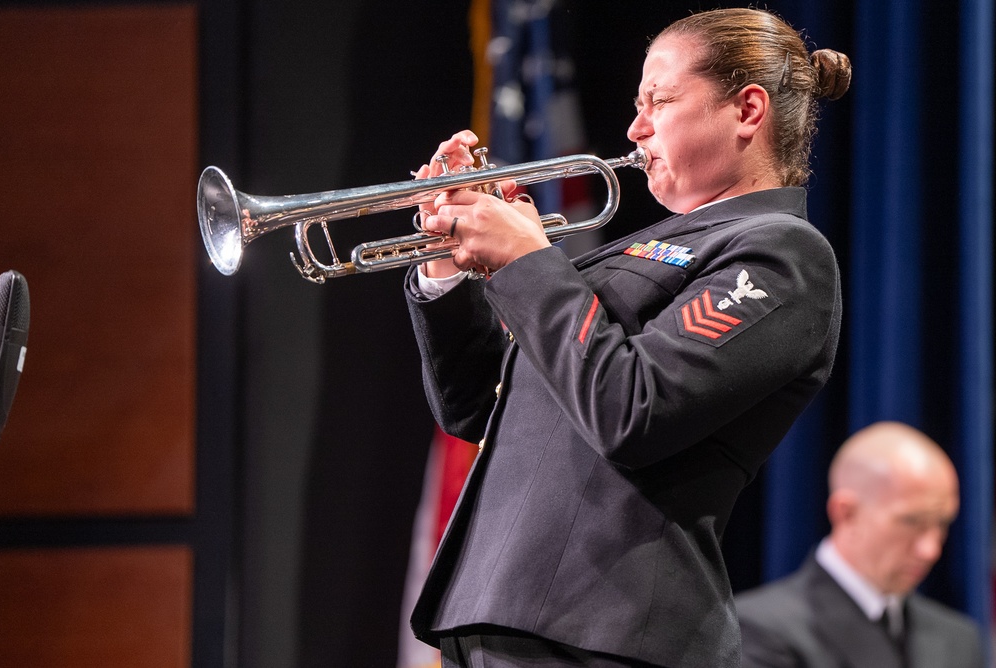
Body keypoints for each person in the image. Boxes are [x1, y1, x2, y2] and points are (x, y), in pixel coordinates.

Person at [403, 7, 851, 667]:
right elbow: (476, 406)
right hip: (511, 617)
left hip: (604, 634)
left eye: (660, 101)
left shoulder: (781, 255)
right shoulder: (644, 248)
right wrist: (445, 266)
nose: (635, 129)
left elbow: (632, 409)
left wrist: (528, 262)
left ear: (748, 110)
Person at [735, 421, 985, 667]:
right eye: (912, 521)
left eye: (941, 523)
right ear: (847, 514)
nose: (930, 550)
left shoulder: (959, 638)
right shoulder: (759, 630)